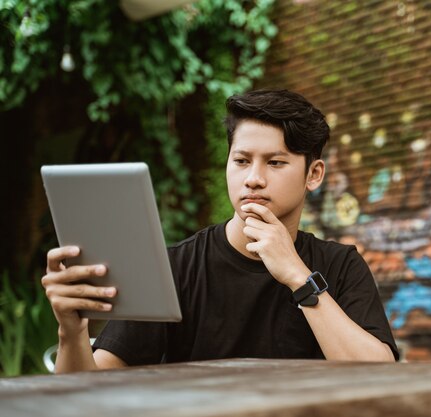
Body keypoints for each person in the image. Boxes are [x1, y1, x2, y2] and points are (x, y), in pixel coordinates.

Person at [42, 89, 399, 373]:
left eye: (275, 163)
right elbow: (91, 392)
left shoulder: (340, 266)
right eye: (241, 161)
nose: (253, 179)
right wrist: (71, 331)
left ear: (314, 174)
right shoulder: (176, 268)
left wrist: (297, 276)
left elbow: (381, 374)